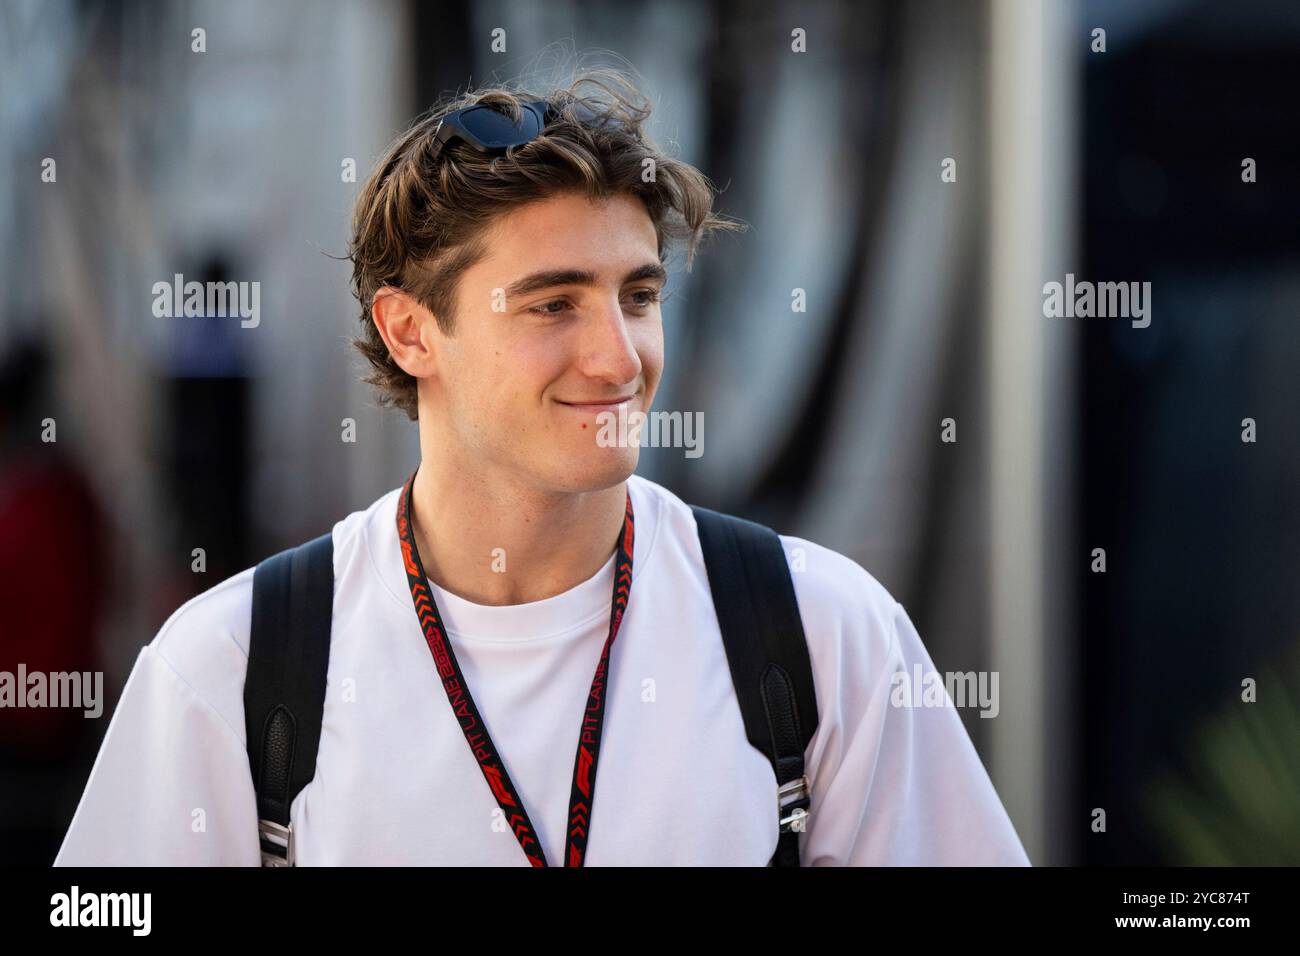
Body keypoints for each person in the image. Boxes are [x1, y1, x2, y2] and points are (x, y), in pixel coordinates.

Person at [54, 69, 1029, 866]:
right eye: (553, 303)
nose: (619, 355)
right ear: (409, 331)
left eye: (637, 295)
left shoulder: (820, 633)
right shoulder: (230, 666)